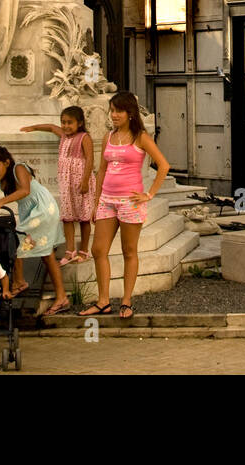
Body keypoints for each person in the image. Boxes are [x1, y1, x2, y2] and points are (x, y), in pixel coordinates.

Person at [81, 91, 170, 319]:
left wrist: (149, 194)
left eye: (118, 111)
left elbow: (163, 165)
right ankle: (103, 301)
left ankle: (127, 301)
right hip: (107, 201)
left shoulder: (140, 137)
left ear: (130, 113)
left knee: (129, 251)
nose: (114, 115)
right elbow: (101, 170)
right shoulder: (108, 137)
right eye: (111, 110)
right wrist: (95, 201)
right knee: (98, 249)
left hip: (130, 202)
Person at [0, 147, 70, 315]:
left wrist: (2, 201)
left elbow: (25, 190)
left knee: (18, 242)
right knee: (46, 254)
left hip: (42, 209)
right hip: (32, 212)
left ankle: (20, 282)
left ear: (6, 162)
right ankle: (61, 296)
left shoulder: (18, 168)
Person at [21, 106, 95, 266]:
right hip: (66, 184)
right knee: (67, 217)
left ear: (80, 123)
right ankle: (70, 251)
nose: (66, 126)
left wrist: (85, 180)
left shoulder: (84, 138)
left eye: (70, 122)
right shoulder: (63, 135)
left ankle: (84, 250)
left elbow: (90, 159)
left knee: (84, 217)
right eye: (63, 122)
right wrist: (33, 127)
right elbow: (51, 127)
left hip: (80, 182)